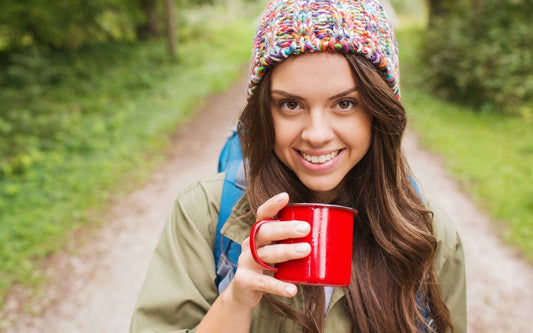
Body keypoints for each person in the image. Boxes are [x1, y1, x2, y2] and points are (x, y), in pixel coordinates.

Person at [129, 0, 467, 332]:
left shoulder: (429, 239)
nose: (316, 134)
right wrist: (234, 301)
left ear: (379, 112)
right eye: (291, 104)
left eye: (345, 103)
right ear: (264, 111)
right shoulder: (204, 214)